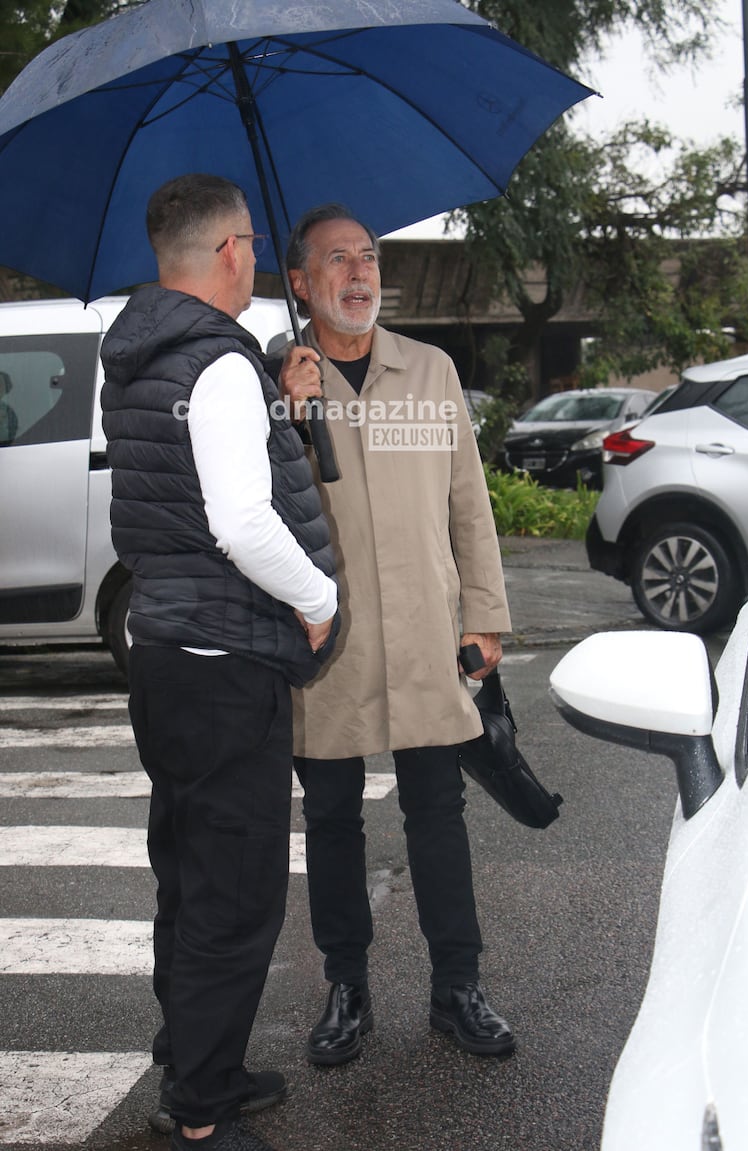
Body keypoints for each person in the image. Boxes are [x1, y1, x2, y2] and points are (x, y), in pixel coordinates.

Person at [100, 174, 339, 1151]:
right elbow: (241, 517)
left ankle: (199, 1058)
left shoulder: (145, 356)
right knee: (234, 892)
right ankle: (199, 1104)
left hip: (164, 654)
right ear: (231, 250)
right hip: (224, 657)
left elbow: (196, 482)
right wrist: (317, 599)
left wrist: (280, 398)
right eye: (250, 244)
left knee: (188, 874)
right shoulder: (219, 364)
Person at [279, 203, 515, 1067]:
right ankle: (347, 987)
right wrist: (288, 413)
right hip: (329, 645)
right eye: (335, 260)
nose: (358, 274)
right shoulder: (276, 386)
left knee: (437, 814)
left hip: (424, 636)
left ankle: (458, 988)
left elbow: (467, 499)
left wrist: (484, 613)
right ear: (300, 283)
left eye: (367, 257)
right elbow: (261, 509)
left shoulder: (430, 372)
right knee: (333, 819)